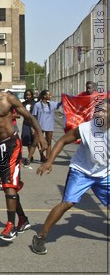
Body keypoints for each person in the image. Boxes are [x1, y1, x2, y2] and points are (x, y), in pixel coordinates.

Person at [0, 69, 48, 242]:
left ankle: (10, 226)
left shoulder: (8, 98)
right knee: (8, 186)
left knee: (8, 184)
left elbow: (29, 118)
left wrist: (40, 136)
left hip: (12, 144)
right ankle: (23, 219)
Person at [32, 98, 109, 255]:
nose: (100, 113)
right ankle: (40, 236)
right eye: (98, 110)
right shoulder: (86, 128)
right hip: (81, 171)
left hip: (103, 174)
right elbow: (62, 140)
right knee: (67, 203)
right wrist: (49, 161)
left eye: (105, 110)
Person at [32, 89, 62, 161]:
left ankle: (48, 157)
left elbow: (60, 103)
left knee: (49, 142)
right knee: (40, 142)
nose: (50, 96)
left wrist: (64, 98)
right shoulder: (38, 105)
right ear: (44, 96)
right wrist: (33, 127)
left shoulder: (52, 104)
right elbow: (34, 116)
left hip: (49, 126)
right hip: (40, 126)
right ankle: (41, 155)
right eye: (49, 95)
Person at [21, 89, 39, 167]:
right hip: (26, 123)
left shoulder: (35, 104)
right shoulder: (23, 104)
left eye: (29, 95)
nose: (28, 96)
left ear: (32, 95)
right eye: (27, 95)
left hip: (34, 124)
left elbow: (36, 115)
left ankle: (30, 157)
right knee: (27, 140)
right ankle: (30, 155)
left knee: (34, 141)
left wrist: (34, 126)